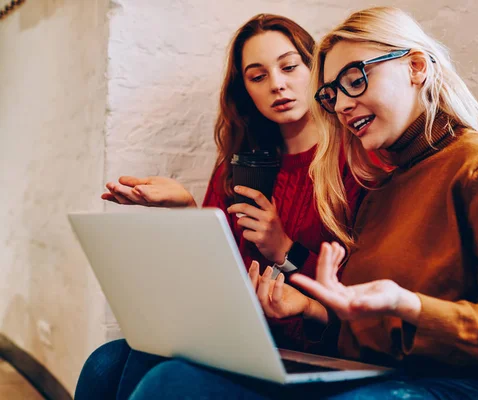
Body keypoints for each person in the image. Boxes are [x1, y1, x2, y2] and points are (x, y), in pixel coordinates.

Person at [125, 6, 478, 399]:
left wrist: (407, 304)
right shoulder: (385, 180)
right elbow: (362, 327)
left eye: (355, 79)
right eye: (332, 93)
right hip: (376, 372)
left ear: (416, 67)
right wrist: (312, 309)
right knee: (163, 379)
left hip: (447, 381)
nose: (344, 104)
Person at [74, 14, 361, 400]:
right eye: (257, 76)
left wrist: (284, 249)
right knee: (103, 363)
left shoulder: (352, 162)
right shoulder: (238, 165)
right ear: (245, 91)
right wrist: (188, 212)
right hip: (238, 338)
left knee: (161, 375)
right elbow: (217, 280)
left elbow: (358, 293)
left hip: (312, 347)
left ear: (315, 70)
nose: (277, 84)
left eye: (290, 67)